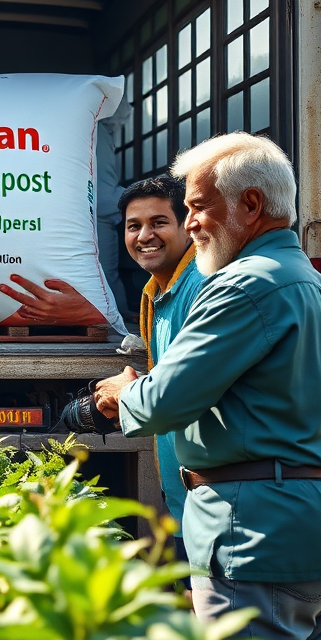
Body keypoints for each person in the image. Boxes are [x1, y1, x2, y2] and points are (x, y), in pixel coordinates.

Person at [93, 133, 321, 640]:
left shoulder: (244, 286)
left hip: (259, 535)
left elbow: (163, 401)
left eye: (198, 206)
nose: (191, 222)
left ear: (250, 205)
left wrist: (125, 391)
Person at [116, 174, 206, 580]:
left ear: (187, 224)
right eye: (133, 226)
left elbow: (183, 393)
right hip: (188, 505)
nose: (144, 236)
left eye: (158, 223)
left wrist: (127, 393)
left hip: (211, 508)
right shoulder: (158, 290)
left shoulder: (201, 287)